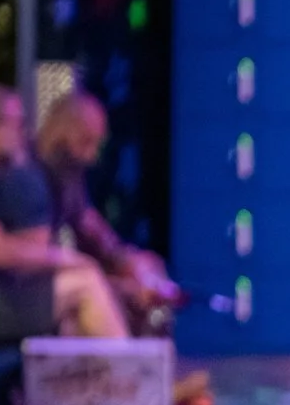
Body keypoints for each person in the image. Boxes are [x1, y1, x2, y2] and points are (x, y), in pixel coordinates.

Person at [0, 83, 127, 352]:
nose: (24, 133)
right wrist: (64, 258)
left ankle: (105, 376)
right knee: (85, 283)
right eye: (17, 124)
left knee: (76, 310)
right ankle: (137, 373)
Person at [34, 90, 181, 337]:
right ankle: (128, 360)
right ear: (63, 130)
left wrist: (124, 259)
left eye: (97, 144)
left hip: (64, 271)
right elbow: (38, 255)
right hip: (38, 281)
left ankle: (150, 357)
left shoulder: (70, 172)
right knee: (113, 292)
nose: (92, 156)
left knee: (148, 268)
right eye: (86, 141)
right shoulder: (32, 175)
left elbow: (88, 222)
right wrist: (119, 283)